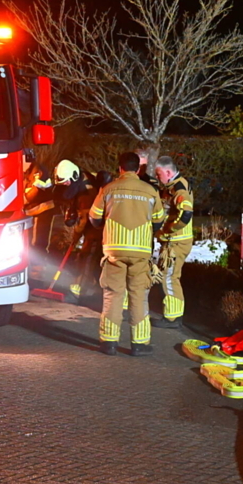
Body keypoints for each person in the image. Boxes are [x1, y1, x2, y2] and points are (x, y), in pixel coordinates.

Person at [88, 152, 165, 356]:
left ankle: (109, 342)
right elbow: (158, 220)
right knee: (139, 297)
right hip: (140, 252)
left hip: (114, 250)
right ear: (138, 168)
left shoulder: (108, 189)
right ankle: (139, 344)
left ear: (120, 168)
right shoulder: (150, 191)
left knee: (113, 295)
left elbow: (94, 217)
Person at [52, 160, 105, 301]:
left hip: (96, 228)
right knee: (88, 256)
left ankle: (80, 291)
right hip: (93, 226)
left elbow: (86, 217)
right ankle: (90, 287)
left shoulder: (87, 192)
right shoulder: (81, 179)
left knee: (87, 256)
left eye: (66, 182)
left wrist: (76, 234)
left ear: (74, 176)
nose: (65, 185)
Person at [152, 156, 194, 328]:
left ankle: (172, 318)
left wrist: (167, 231)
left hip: (177, 242)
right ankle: (172, 315)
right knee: (169, 276)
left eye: (159, 173)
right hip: (173, 242)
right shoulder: (170, 187)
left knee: (169, 277)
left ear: (168, 172)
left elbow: (186, 213)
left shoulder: (179, 189)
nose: (157, 177)